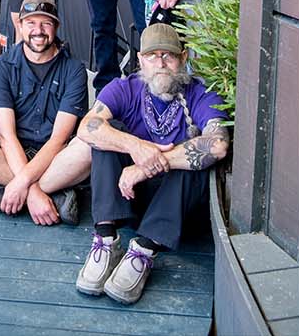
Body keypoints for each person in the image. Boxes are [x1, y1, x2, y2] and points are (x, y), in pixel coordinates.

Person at [73, 23, 231, 304]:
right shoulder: (124, 88)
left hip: (178, 213)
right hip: (132, 200)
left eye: (168, 56)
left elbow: (218, 144)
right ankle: (106, 239)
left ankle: (143, 252)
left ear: (183, 58)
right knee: (108, 133)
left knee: (195, 152)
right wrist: (136, 146)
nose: (160, 63)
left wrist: (150, 164)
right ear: (140, 60)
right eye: (152, 56)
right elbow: (86, 128)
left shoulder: (201, 93)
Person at [0, 0, 90, 225]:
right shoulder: (3, 66)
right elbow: (6, 135)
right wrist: (32, 191)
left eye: (46, 23)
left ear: (56, 27)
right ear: (20, 26)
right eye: (31, 23)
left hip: (54, 155)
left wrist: (20, 185)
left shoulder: (74, 69)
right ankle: (48, 196)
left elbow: (59, 139)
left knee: (88, 147)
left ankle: (2, 195)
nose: (38, 30)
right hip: (10, 152)